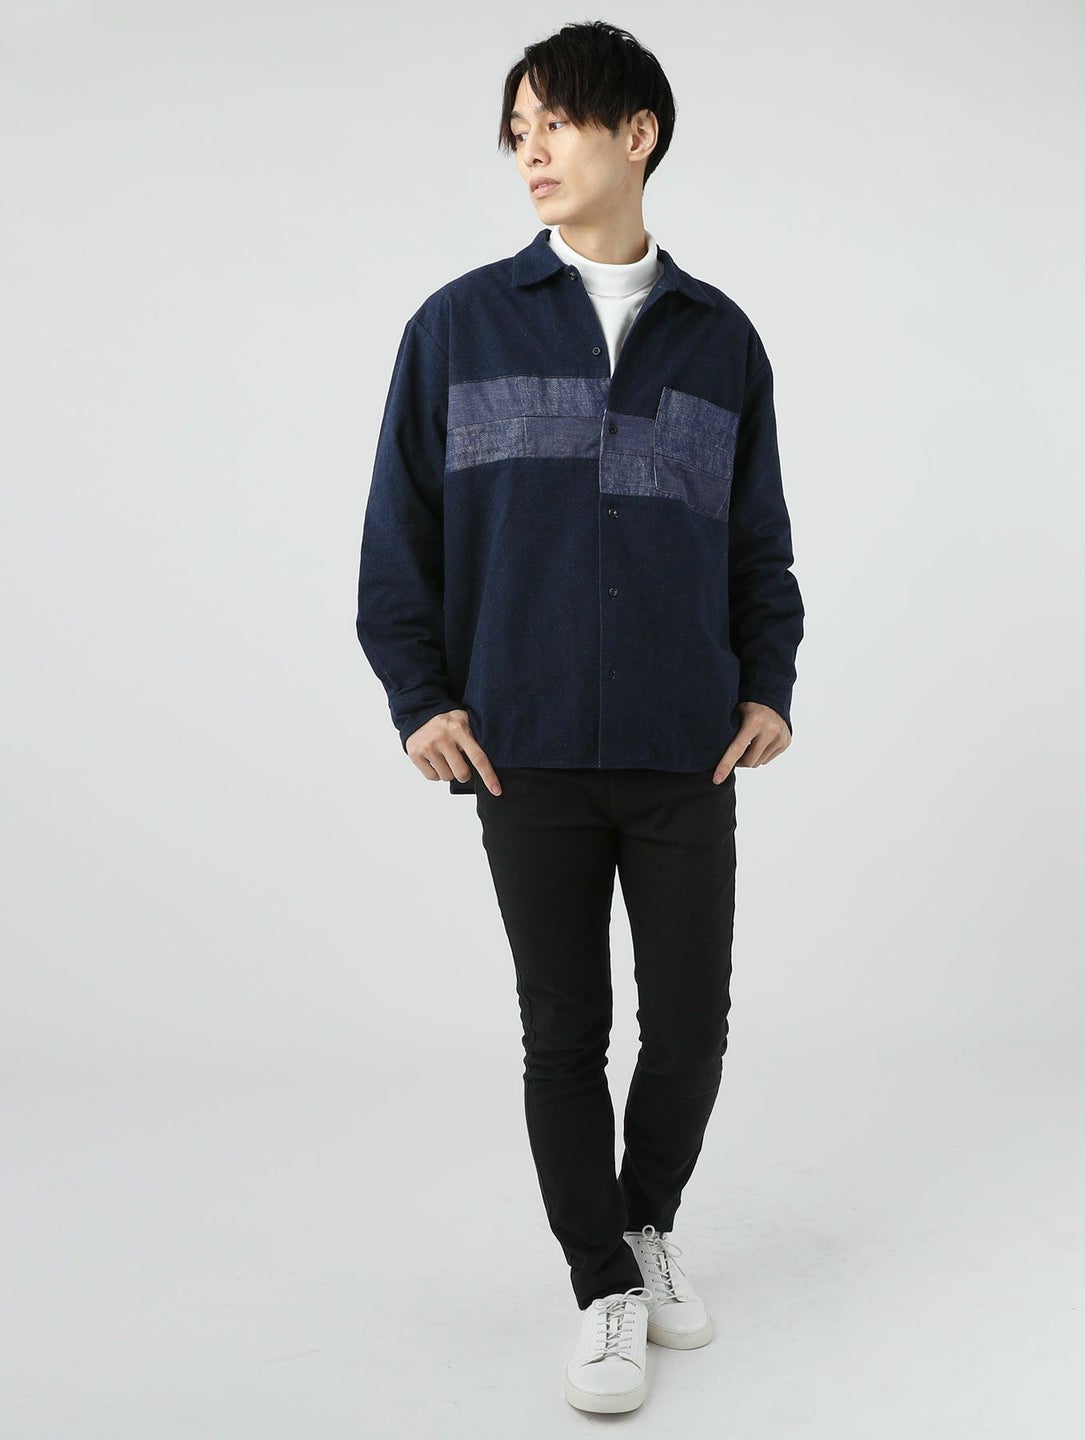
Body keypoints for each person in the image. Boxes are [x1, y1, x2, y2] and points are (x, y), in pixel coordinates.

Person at [356, 19, 805, 1415]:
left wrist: (770, 683)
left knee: (691, 1026)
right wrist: (420, 698)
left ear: (637, 133)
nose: (532, 152)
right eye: (518, 132)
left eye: (554, 122)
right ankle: (603, 1285)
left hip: (685, 747)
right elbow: (398, 539)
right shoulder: (457, 328)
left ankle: (644, 1221)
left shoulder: (721, 341)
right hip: (527, 748)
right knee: (564, 1033)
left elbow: (758, 543)